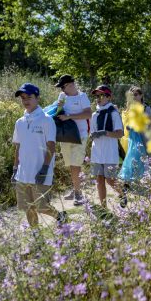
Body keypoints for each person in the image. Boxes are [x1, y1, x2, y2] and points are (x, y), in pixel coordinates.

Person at [12, 82, 66, 228]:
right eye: (23, 98)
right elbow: (18, 147)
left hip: (41, 172)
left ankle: (59, 216)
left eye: (29, 97)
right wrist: (15, 168)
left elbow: (51, 146)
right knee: (28, 207)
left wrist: (44, 169)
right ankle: (36, 236)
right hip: (23, 173)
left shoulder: (46, 120)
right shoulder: (20, 122)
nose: (25, 101)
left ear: (37, 98)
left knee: (41, 206)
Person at [54, 75, 92, 206]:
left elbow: (88, 114)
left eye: (63, 86)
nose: (62, 90)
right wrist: (58, 108)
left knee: (76, 165)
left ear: (70, 84)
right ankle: (76, 189)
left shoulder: (83, 97)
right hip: (66, 135)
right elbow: (59, 113)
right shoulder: (62, 96)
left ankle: (78, 194)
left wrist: (69, 116)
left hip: (80, 135)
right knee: (71, 164)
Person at [89, 85, 127, 208]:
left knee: (110, 180)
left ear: (109, 97)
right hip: (96, 152)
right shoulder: (94, 114)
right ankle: (104, 208)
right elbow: (92, 133)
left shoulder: (113, 113)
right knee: (99, 180)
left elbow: (120, 133)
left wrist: (105, 132)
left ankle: (122, 194)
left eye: (101, 95)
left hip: (110, 152)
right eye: (96, 96)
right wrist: (92, 135)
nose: (98, 98)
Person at [119, 86, 151, 183]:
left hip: (146, 136)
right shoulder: (130, 109)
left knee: (149, 157)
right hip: (134, 137)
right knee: (133, 157)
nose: (134, 97)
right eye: (132, 95)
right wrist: (128, 127)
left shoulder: (146, 108)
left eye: (136, 95)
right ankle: (130, 180)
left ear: (141, 95)